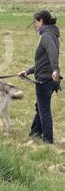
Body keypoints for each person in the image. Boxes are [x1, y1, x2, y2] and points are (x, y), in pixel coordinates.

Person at [18, 10, 61, 144]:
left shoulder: (47, 36)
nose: (35, 25)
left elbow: (53, 53)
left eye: (35, 22)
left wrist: (55, 70)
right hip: (49, 78)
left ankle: (48, 140)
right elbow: (42, 61)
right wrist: (27, 71)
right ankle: (35, 132)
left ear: (41, 21)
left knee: (44, 110)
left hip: (45, 79)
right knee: (40, 106)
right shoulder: (51, 34)